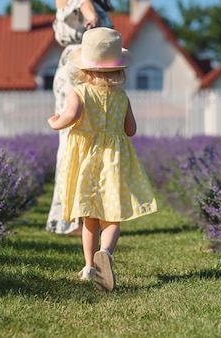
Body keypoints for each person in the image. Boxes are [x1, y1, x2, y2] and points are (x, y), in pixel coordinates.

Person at [47, 28, 158, 291]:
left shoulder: (79, 92)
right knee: (112, 219)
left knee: (89, 218)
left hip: (86, 162)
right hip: (114, 163)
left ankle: (88, 267)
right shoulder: (122, 96)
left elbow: (70, 116)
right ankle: (106, 254)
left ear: (84, 66)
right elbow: (131, 130)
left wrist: (55, 122)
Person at [47, 0, 115, 235]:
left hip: (95, 71)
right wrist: (91, 17)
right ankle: (67, 217)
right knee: (72, 140)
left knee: (92, 142)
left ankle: (87, 213)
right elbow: (80, 2)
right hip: (75, 69)